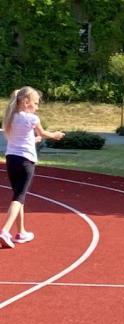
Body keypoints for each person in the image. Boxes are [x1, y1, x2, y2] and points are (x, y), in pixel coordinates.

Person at [1, 87, 65, 248]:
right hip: (26, 161)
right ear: (26, 102)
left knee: (18, 195)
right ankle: (5, 231)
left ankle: (21, 232)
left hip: (11, 159)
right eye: (36, 103)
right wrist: (55, 135)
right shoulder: (32, 118)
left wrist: (34, 140)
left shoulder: (11, 117)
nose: (37, 107)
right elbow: (43, 133)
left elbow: (21, 138)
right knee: (19, 197)